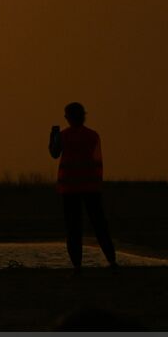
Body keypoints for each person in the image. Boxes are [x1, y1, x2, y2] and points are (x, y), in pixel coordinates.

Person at [49, 102, 116, 272]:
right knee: (99, 225)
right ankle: (112, 260)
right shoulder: (93, 136)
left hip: (70, 189)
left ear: (69, 117)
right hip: (91, 187)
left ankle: (77, 264)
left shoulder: (63, 136)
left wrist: (53, 137)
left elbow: (54, 153)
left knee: (73, 228)